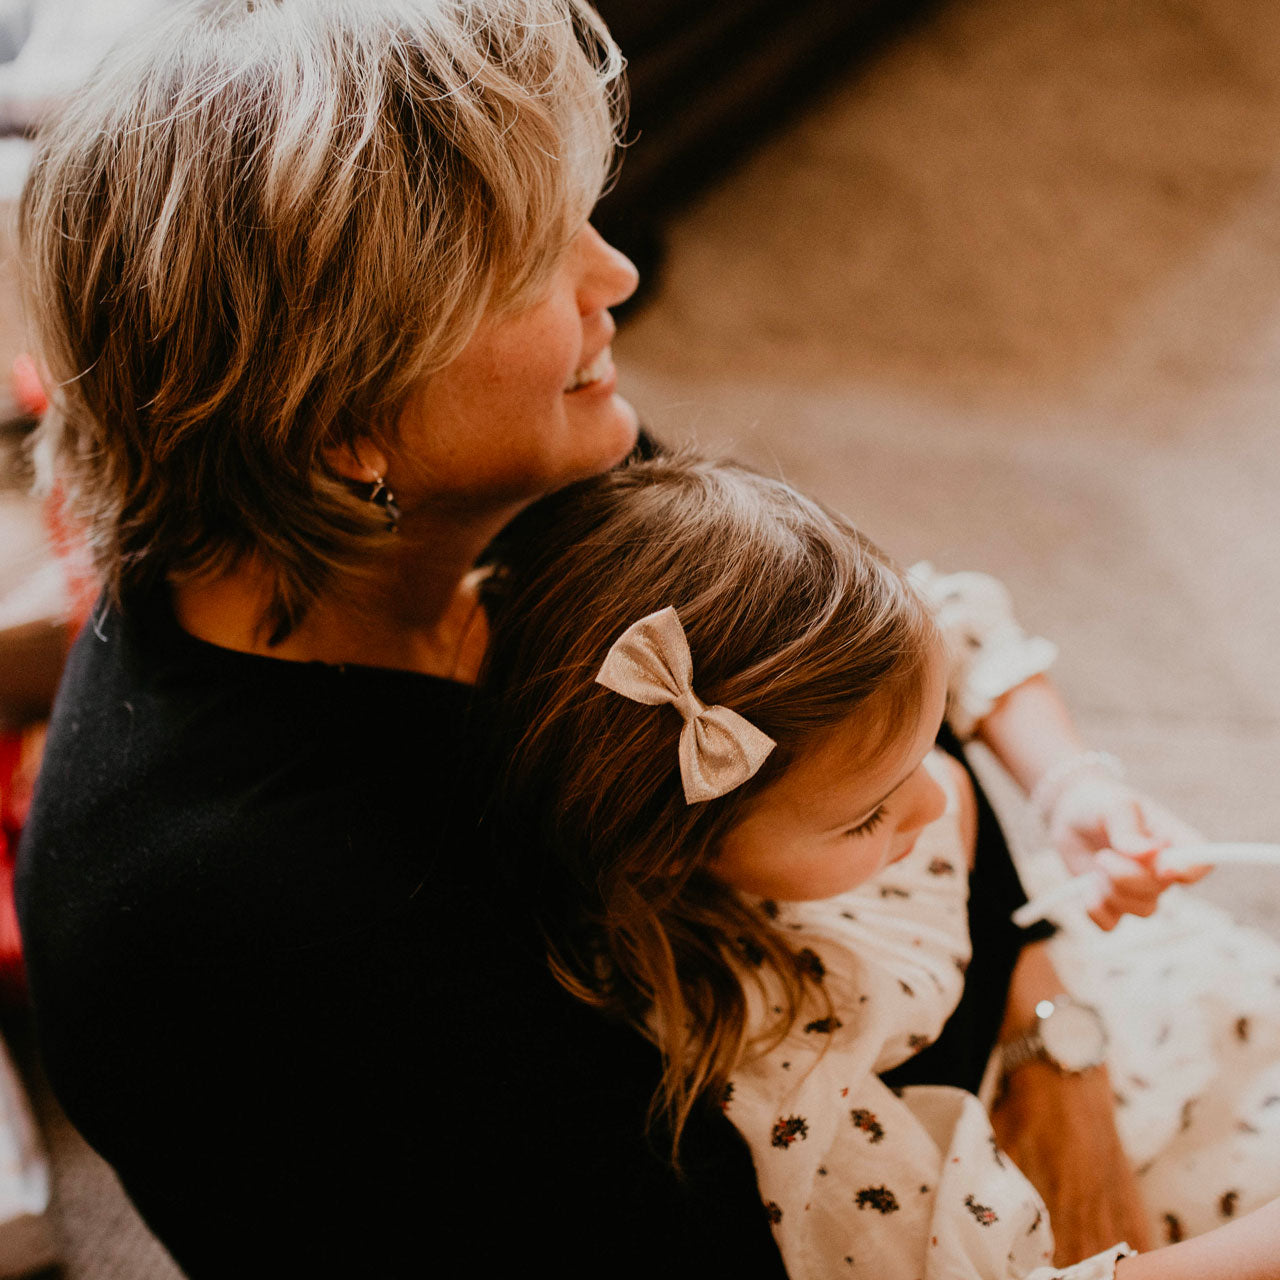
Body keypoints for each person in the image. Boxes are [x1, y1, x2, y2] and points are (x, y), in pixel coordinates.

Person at [4, 0, 1235, 1273]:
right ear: (341, 420)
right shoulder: (283, 924)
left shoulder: (511, 480)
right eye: (537, 258)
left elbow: (852, 699)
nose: (619, 276)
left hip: (972, 1039)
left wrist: (1048, 1027)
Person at [476, 452, 1280, 1279]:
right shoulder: (782, 1053)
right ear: (671, 858)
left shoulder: (823, 696)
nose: (936, 803)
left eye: (925, 747)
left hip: (1086, 1008)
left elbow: (962, 624)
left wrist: (1070, 788)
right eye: (869, 814)